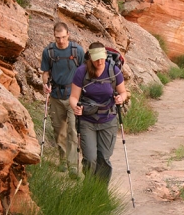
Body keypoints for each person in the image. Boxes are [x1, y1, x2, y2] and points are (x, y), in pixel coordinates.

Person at [69, 42, 128, 184]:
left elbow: (123, 92)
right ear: (90, 58)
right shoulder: (81, 72)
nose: (99, 62)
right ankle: (88, 188)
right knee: (90, 159)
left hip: (108, 120)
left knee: (104, 158)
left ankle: (101, 191)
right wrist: (75, 107)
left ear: (105, 56)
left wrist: (121, 98)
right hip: (87, 121)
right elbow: (73, 97)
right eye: (96, 59)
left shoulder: (113, 71)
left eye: (102, 58)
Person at [41, 22, 85, 176]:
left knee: (73, 130)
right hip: (55, 97)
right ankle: (62, 160)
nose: (60, 40)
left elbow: (84, 72)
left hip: (73, 96)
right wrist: (45, 84)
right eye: (57, 37)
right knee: (59, 130)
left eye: (63, 37)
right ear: (54, 36)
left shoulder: (77, 50)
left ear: (68, 35)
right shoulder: (49, 52)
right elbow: (45, 72)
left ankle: (73, 164)